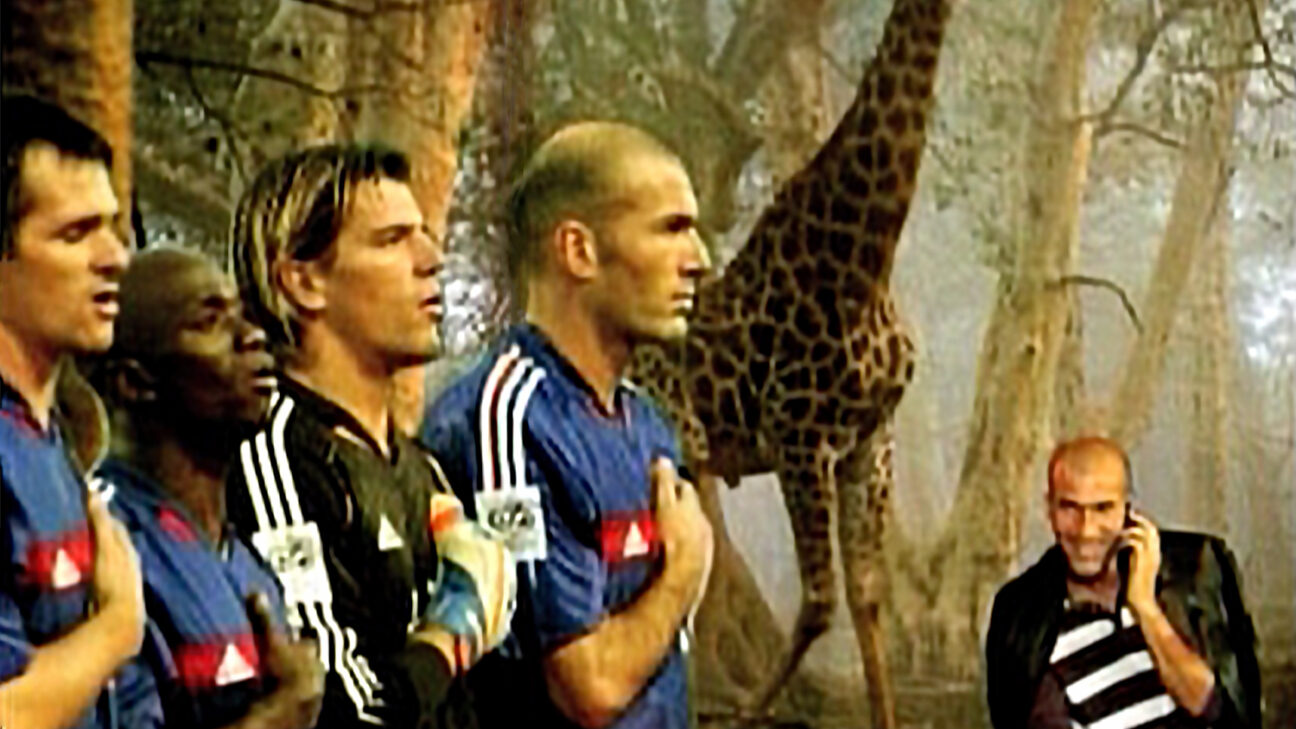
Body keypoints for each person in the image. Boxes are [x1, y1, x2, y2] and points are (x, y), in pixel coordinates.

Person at [420, 121, 716, 729]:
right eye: (671, 229)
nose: (699, 261)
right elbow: (589, 688)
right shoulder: (505, 419)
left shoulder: (647, 424)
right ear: (579, 250)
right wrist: (683, 573)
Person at [226, 144, 514, 729]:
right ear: (304, 281)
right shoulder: (276, 458)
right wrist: (449, 637)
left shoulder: (422, 468)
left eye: (424, 235)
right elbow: (339, 712)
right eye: (391, 240)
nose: (431, 259)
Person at [89, 247, 323, 728]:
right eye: (209, 321)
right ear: (134, 382)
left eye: (241, 315)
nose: (252, 336)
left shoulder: (246, 564)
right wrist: (281, 716)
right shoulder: (107, 545)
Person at [0, 95, 144, 729]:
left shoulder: (51, 435)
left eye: (111, 226)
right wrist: (118, 627)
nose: (115, 257)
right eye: (75, 233)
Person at [985, 436, 1261, 729]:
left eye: (1102, 508)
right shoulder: (1023, 616)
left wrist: (1145, 609)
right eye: (1070, 508)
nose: (1086, 530)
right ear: (1049, 510)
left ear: (1127, 509)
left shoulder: (1194, 571)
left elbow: (1225, 713)